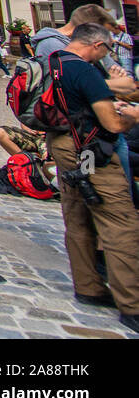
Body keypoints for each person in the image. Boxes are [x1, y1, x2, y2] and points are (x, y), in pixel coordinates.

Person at [44, 23, 139, 332]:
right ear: (98, 46)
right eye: (107, 50)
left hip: (61, 144)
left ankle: (88, 286)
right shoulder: (85, 71)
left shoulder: (54, 60)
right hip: (89, 147)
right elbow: (111, 123)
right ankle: (133, 303)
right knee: (119, 222)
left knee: (77, 217)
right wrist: (132, 117)